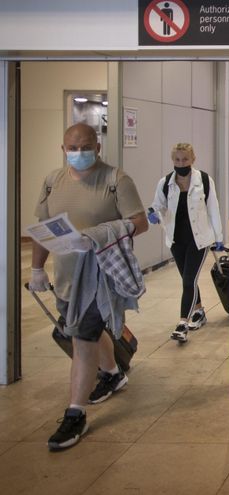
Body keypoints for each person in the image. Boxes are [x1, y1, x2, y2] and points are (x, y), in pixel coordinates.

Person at [29, 123, 148, 450]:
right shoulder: (53, 181)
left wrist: (95, 236)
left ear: (97, 147)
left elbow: (140, 222)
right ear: (62, 148)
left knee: (82, 337)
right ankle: (112, 372)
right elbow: (42, 227)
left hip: (100, 275)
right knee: (87, 331)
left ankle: (75, 413)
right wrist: (37, 267)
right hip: (67, 275)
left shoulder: (116, 180)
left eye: (84, 148)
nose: (77, 154)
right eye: (71, 148)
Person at [148, 143, 224, 343]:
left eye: (185, 160)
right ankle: (199, 312)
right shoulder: (165, 183)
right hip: (176, 239)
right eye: (177, 160)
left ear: (193, 159)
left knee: (189, 280)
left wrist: (219, 238)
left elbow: (213, 209)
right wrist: (154, 215)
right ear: (173, 161)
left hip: (199, 240)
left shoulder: (204, 180)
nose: (181, 163)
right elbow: (157, 206)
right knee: (188, 279)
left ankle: (182, 323)